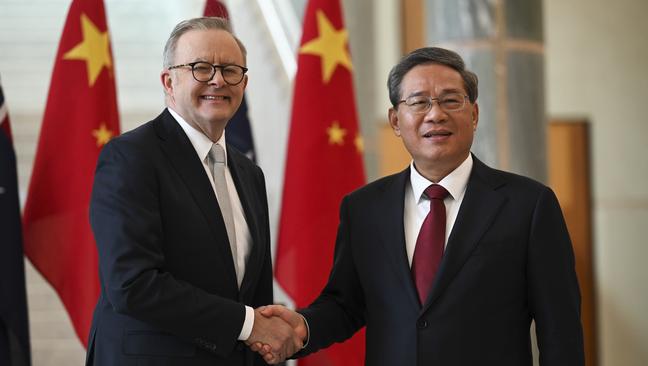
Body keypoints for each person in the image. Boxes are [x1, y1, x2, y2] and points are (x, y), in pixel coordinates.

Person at [255, 47, 585, 365]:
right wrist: (304, 326)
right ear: (396, 120)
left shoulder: (528, 205)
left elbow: (560, 330)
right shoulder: (364, 209)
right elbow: (346, 304)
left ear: (474, 113)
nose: (436, 114)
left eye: (451, 101)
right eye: (419, 102)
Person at [86, 17, 301, 366]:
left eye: (230, 69)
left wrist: (265, 334)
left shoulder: (250, 175)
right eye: (200, 68)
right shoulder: (130, 157)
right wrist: (249, 325)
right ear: (168, 81)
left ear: (244, 83)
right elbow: (132, 284)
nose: (217, 79)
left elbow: (253, 296)